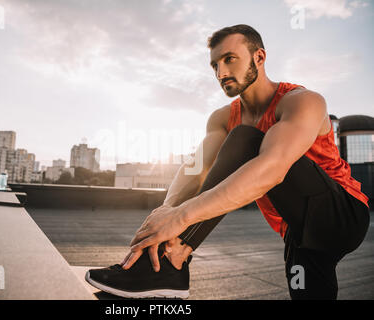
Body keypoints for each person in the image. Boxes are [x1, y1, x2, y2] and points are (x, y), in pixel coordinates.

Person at [85, 24, 370, 300]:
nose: (221, 72)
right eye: (214, 65)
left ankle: (174, 262)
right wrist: (166, 210)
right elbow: (196, 169)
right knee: (308, 292)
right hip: (297, 230)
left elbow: (272, 168)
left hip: (341, 214)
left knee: (245, 139)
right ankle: (167, 265)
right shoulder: (222, 117)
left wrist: (181, 218)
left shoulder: (301, 101)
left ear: (259, 57)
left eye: (230, 59)